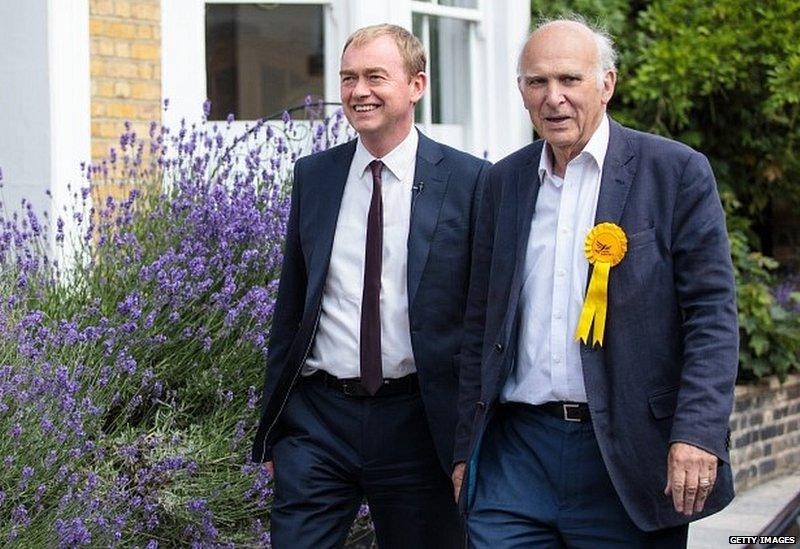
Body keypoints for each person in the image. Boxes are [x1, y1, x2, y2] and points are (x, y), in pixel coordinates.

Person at [452, 18, 739, 547]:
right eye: (537, 82)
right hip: (517, 454)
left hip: (628, 456)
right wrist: (465, 449)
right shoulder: (502, 183)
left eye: (569, 80)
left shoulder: (675, 173)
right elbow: (479, 323)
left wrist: (697, 432)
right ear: (520, 91)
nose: (553, 98)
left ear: (606, 84)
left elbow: (712, 318)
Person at [251, 23, 489, 548]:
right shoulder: (314, 175)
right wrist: (273, 430)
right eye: (348, 78)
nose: (359, 92)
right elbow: (290, 309)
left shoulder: (471, 182)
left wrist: (469, 444)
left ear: (417, 85)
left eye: (376, 77)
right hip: (318, 422)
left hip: (418, 424)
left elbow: (481, 325)